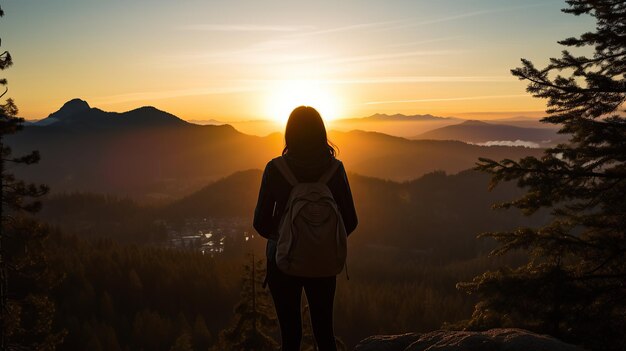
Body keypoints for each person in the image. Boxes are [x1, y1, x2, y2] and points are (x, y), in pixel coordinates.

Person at [253, 106, 358, 351]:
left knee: (290, 337)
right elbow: (351, 220)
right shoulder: (335, 169)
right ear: (322, 132)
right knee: (324, 334)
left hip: (283, 263)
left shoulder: (276, 169)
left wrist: (285, 239)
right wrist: (320, 239)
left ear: (289, 133)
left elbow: (260, 222)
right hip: (323, 262)